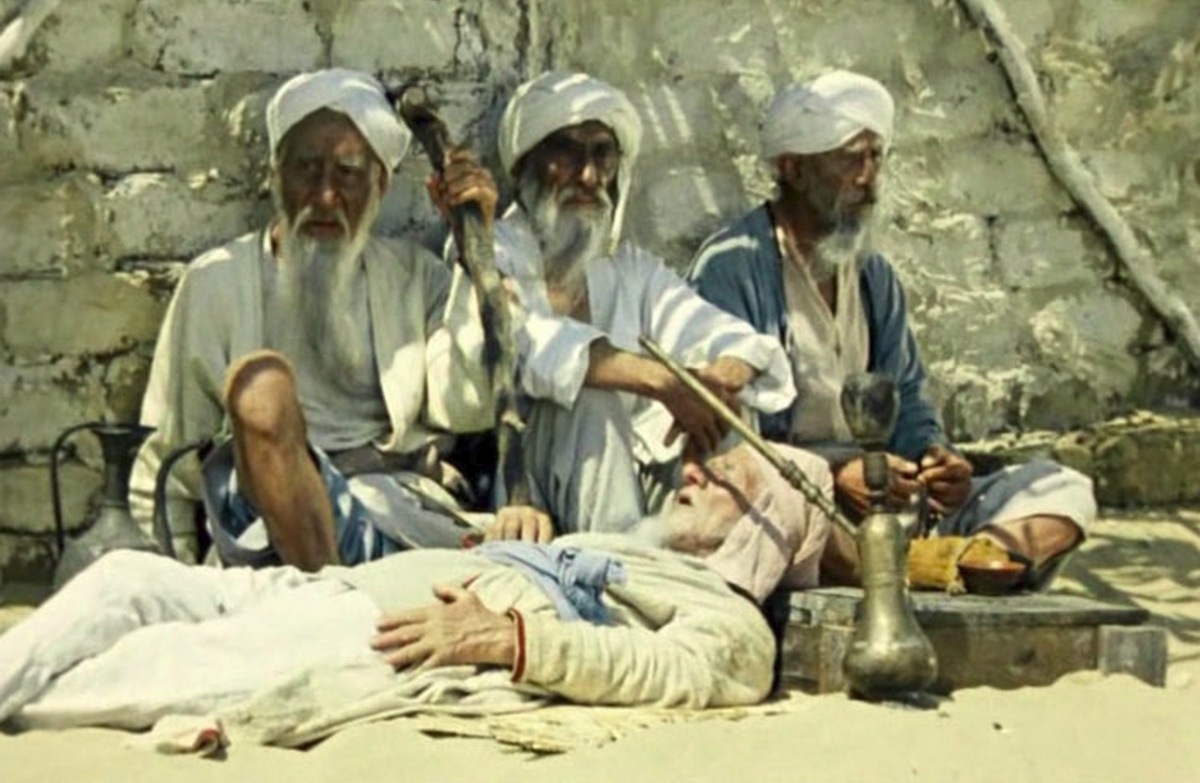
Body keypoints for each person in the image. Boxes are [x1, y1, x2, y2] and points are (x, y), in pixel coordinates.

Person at [0, 442, 833, 734]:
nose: (692, 471)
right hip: (335, 586)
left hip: (384, 634)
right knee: (127, 576)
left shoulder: (732, 623)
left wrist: (510, 638)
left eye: (723, 475)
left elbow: (665, 672)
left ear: (766, 520)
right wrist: (513, 531)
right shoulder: (628, 546)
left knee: (153, 661)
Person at [687, 70, 1097, 587]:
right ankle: (935, 572)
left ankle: (961, 563)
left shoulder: (872, 274)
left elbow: (908, 397)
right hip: (801, 496)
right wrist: (834, 477)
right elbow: (730, 440)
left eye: (876, 157)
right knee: (780, 508)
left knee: (1061, 487)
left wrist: (935, 460)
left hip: (887, 498)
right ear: (793, 168)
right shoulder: (732, 268)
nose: (868, 177)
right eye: (850, 159)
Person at [131, 68, 501, 571]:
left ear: (380, 185)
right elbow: (166, 459)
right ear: (275, 177)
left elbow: (467, 408)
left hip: (387, 515)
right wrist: (172, 569)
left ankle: (331, 591)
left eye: (348, 173)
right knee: (263, 391)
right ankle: (329, 587)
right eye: (307, 169)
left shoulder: (416, 278)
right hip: (267, 521)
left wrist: (472, 247)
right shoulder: (216, 282)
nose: (325, 196)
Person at [427, 71, 796, 543]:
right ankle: (623, 572)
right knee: (590, 400)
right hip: (528, 486)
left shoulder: (626, 266)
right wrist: (663, 382)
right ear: (523, 165)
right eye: (567, 153)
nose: (589, 176)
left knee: (722, 411)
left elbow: (724, 334)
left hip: (632, 474)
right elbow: (528, 346)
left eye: (602, 154)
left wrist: (720, 378)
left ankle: (720, 568)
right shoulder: (490, 248)